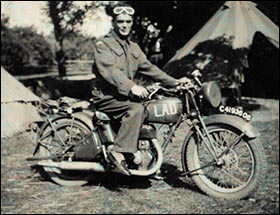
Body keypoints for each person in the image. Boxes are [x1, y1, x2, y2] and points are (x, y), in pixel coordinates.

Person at [91, 3, 190, 175]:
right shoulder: (103, 45)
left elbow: (150, 68)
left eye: (128, 21)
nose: (124, 25)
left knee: (149, 106)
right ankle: (118, 151)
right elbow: (110, 71)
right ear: (113, 23)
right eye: (120, 21)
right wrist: (132, 87)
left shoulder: (133, 47)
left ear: (132, 23)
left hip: (122, 96)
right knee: (136, 109)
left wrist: (175, 82)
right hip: (106, 97)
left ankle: (139, 151)